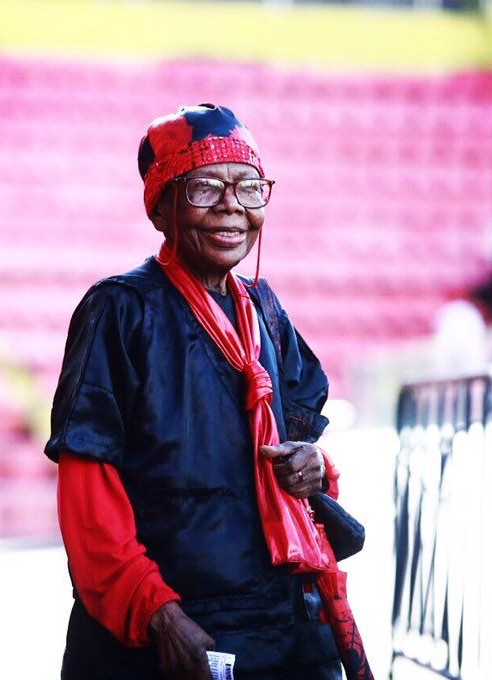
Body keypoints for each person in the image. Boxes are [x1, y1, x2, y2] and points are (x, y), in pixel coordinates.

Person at [46, 104, 370, 679]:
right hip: (175, 632)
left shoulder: (266, 311)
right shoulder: (120, 309)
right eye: (204, 188)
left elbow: (304, 462)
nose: (231, 206)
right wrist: (160, 616)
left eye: (249, 187)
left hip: (285, 625)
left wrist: (312, 465)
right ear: (161, 207)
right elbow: (87, 494)